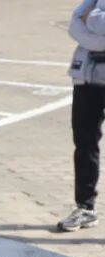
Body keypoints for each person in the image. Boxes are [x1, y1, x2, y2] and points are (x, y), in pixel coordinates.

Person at [60, 0, 105, 231]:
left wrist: (92, 20)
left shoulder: (93, 8)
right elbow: (74, 26)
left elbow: (92, 22)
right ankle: (85, 207)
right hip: (87, 78)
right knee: (85, 143)